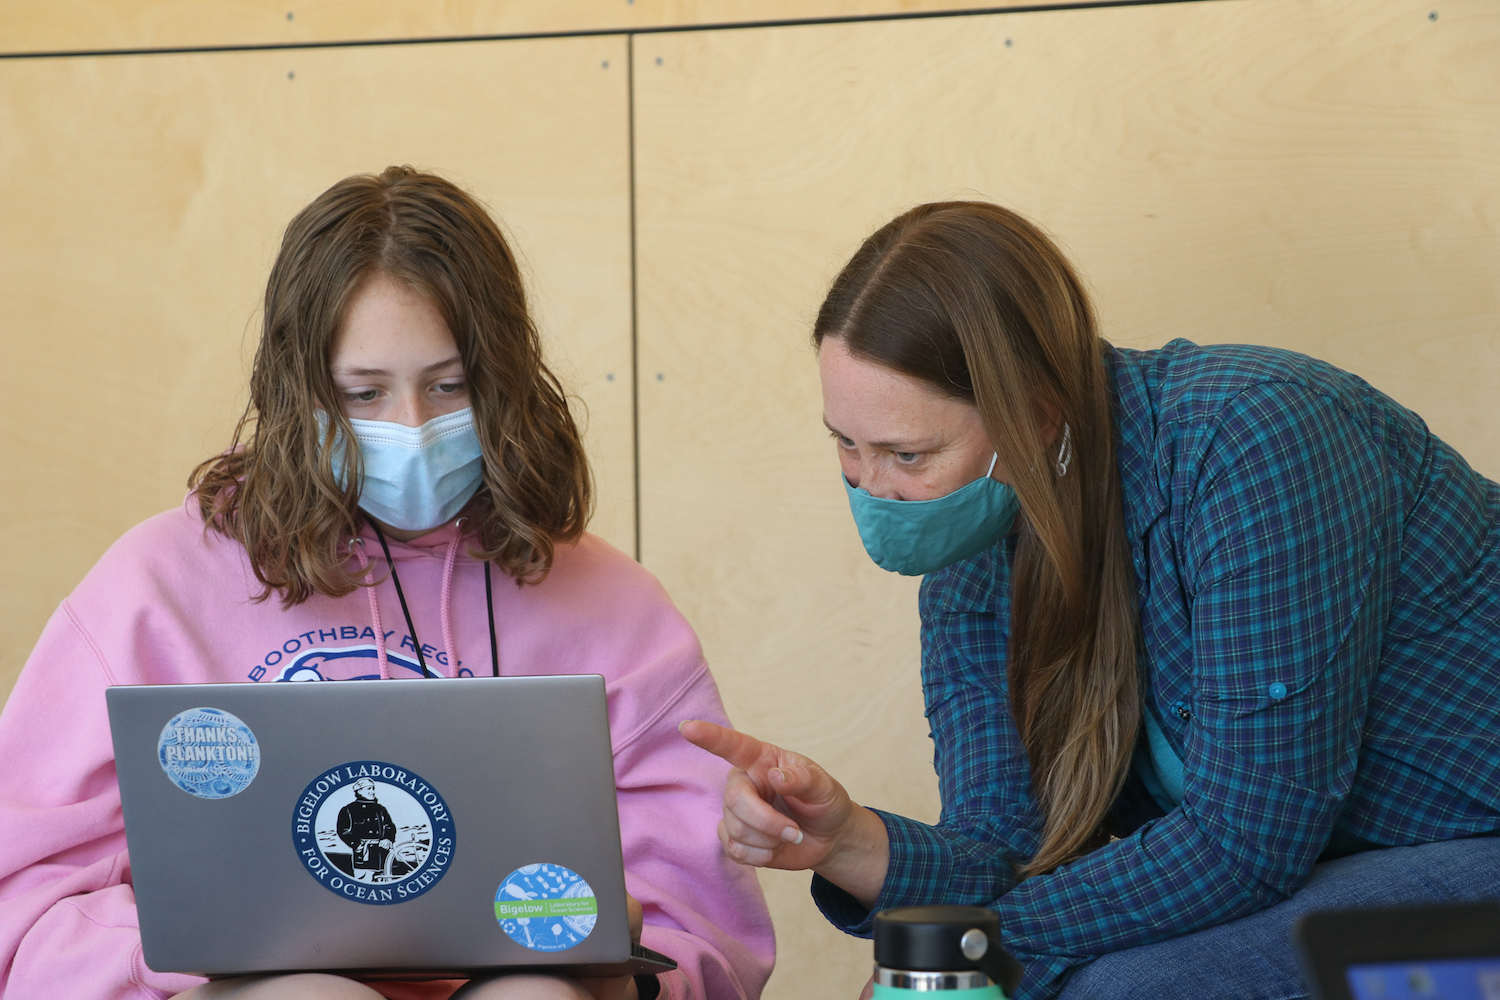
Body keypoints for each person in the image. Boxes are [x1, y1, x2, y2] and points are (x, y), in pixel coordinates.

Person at [681, 201, 1500, 1000]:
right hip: (1325, 863)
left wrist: (954, 955)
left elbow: (1247, 841)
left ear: (1035, 415)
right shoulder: (972, 555)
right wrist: (853, 841)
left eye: (908, 453)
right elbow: (1007, 848)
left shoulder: (1257, 436)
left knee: (1125, 987)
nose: (875, 490)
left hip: (1466, 833)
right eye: (847, 445)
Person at [0, 166, 773, 1000]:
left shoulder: (616, 608)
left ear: (505, 378)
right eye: (363, 393)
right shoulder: (154, 587)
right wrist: (187, 954)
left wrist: (625, 969)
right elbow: (25, 902)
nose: (411, 427)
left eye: (449, 386)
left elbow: (706, 934)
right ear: (297, 395)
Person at [338, 779, 397, 882]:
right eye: (369, 788)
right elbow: (343, 831)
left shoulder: (380, 809)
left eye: (373, 788)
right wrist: (357, 844)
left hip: (384, 856)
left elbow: (390, 827)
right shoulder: (348, 810)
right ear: (359, 791)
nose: (372, 791)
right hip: (365, 858)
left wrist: (387, 839)